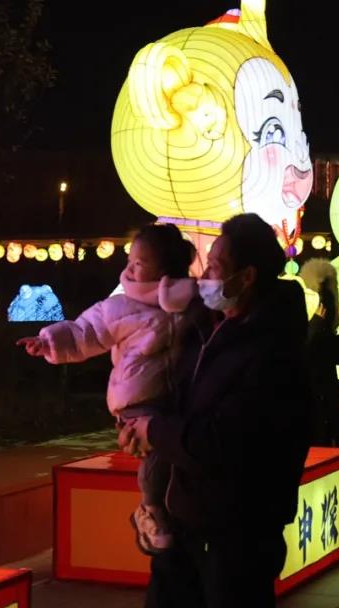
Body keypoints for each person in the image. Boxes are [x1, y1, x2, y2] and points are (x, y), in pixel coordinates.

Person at [119, 213, 311, 607]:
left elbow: (224, 441)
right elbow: (179, 402)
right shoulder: (209, 328)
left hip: (236, 535)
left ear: (247, 277)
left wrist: (155, 431)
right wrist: (141, 425)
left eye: (216, 266)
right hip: (187, 527)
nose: (204, 276)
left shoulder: (272, 351)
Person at [18, 224, 196, 554]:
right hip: (136, 398)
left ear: (165, 269)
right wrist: (48, 341)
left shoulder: (193, 304)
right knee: (158, 449)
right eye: (130, 261)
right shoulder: (122, 307)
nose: (130, 269)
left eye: (140, 263)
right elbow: (86, 331)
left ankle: (171, 511)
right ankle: (150, 508)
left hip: (178, 398)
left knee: (179, 451)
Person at [299, 258, 339, 447]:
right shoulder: (303, 323)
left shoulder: (323, 326)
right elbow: (301, 352)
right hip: (308, 397)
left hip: (326, 394)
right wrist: (314, 327)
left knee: (327, 439)